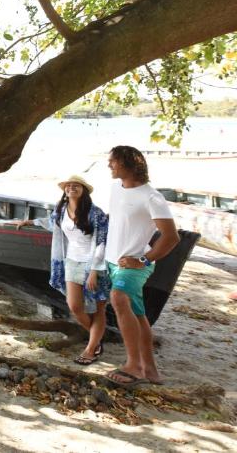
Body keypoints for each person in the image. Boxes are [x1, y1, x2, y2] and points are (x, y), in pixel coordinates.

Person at [14, 175, 111, 365]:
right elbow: (50, 223)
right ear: (65, 191)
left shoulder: (95, 213)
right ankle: (96, 338)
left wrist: (94, 270)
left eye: (76, 186)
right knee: (75, 306)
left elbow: (102, 242)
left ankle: (91, 349)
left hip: (94, 264)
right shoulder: (61, 211)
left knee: (99, 308)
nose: (71, 188)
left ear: (84, 190)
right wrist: (29, 222)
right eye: (68, 186)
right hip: (72, 262)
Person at [104, 146, 179, 387]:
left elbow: (171, 237)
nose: (109, 166)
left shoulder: (151, 197)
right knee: (137, 314)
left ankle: (134, 365)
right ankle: (150, 368)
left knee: (118, 298)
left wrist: (144, 260)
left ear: (128, 164)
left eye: (113, 161)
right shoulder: (117, 187)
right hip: (112, 261)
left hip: (135, 263)